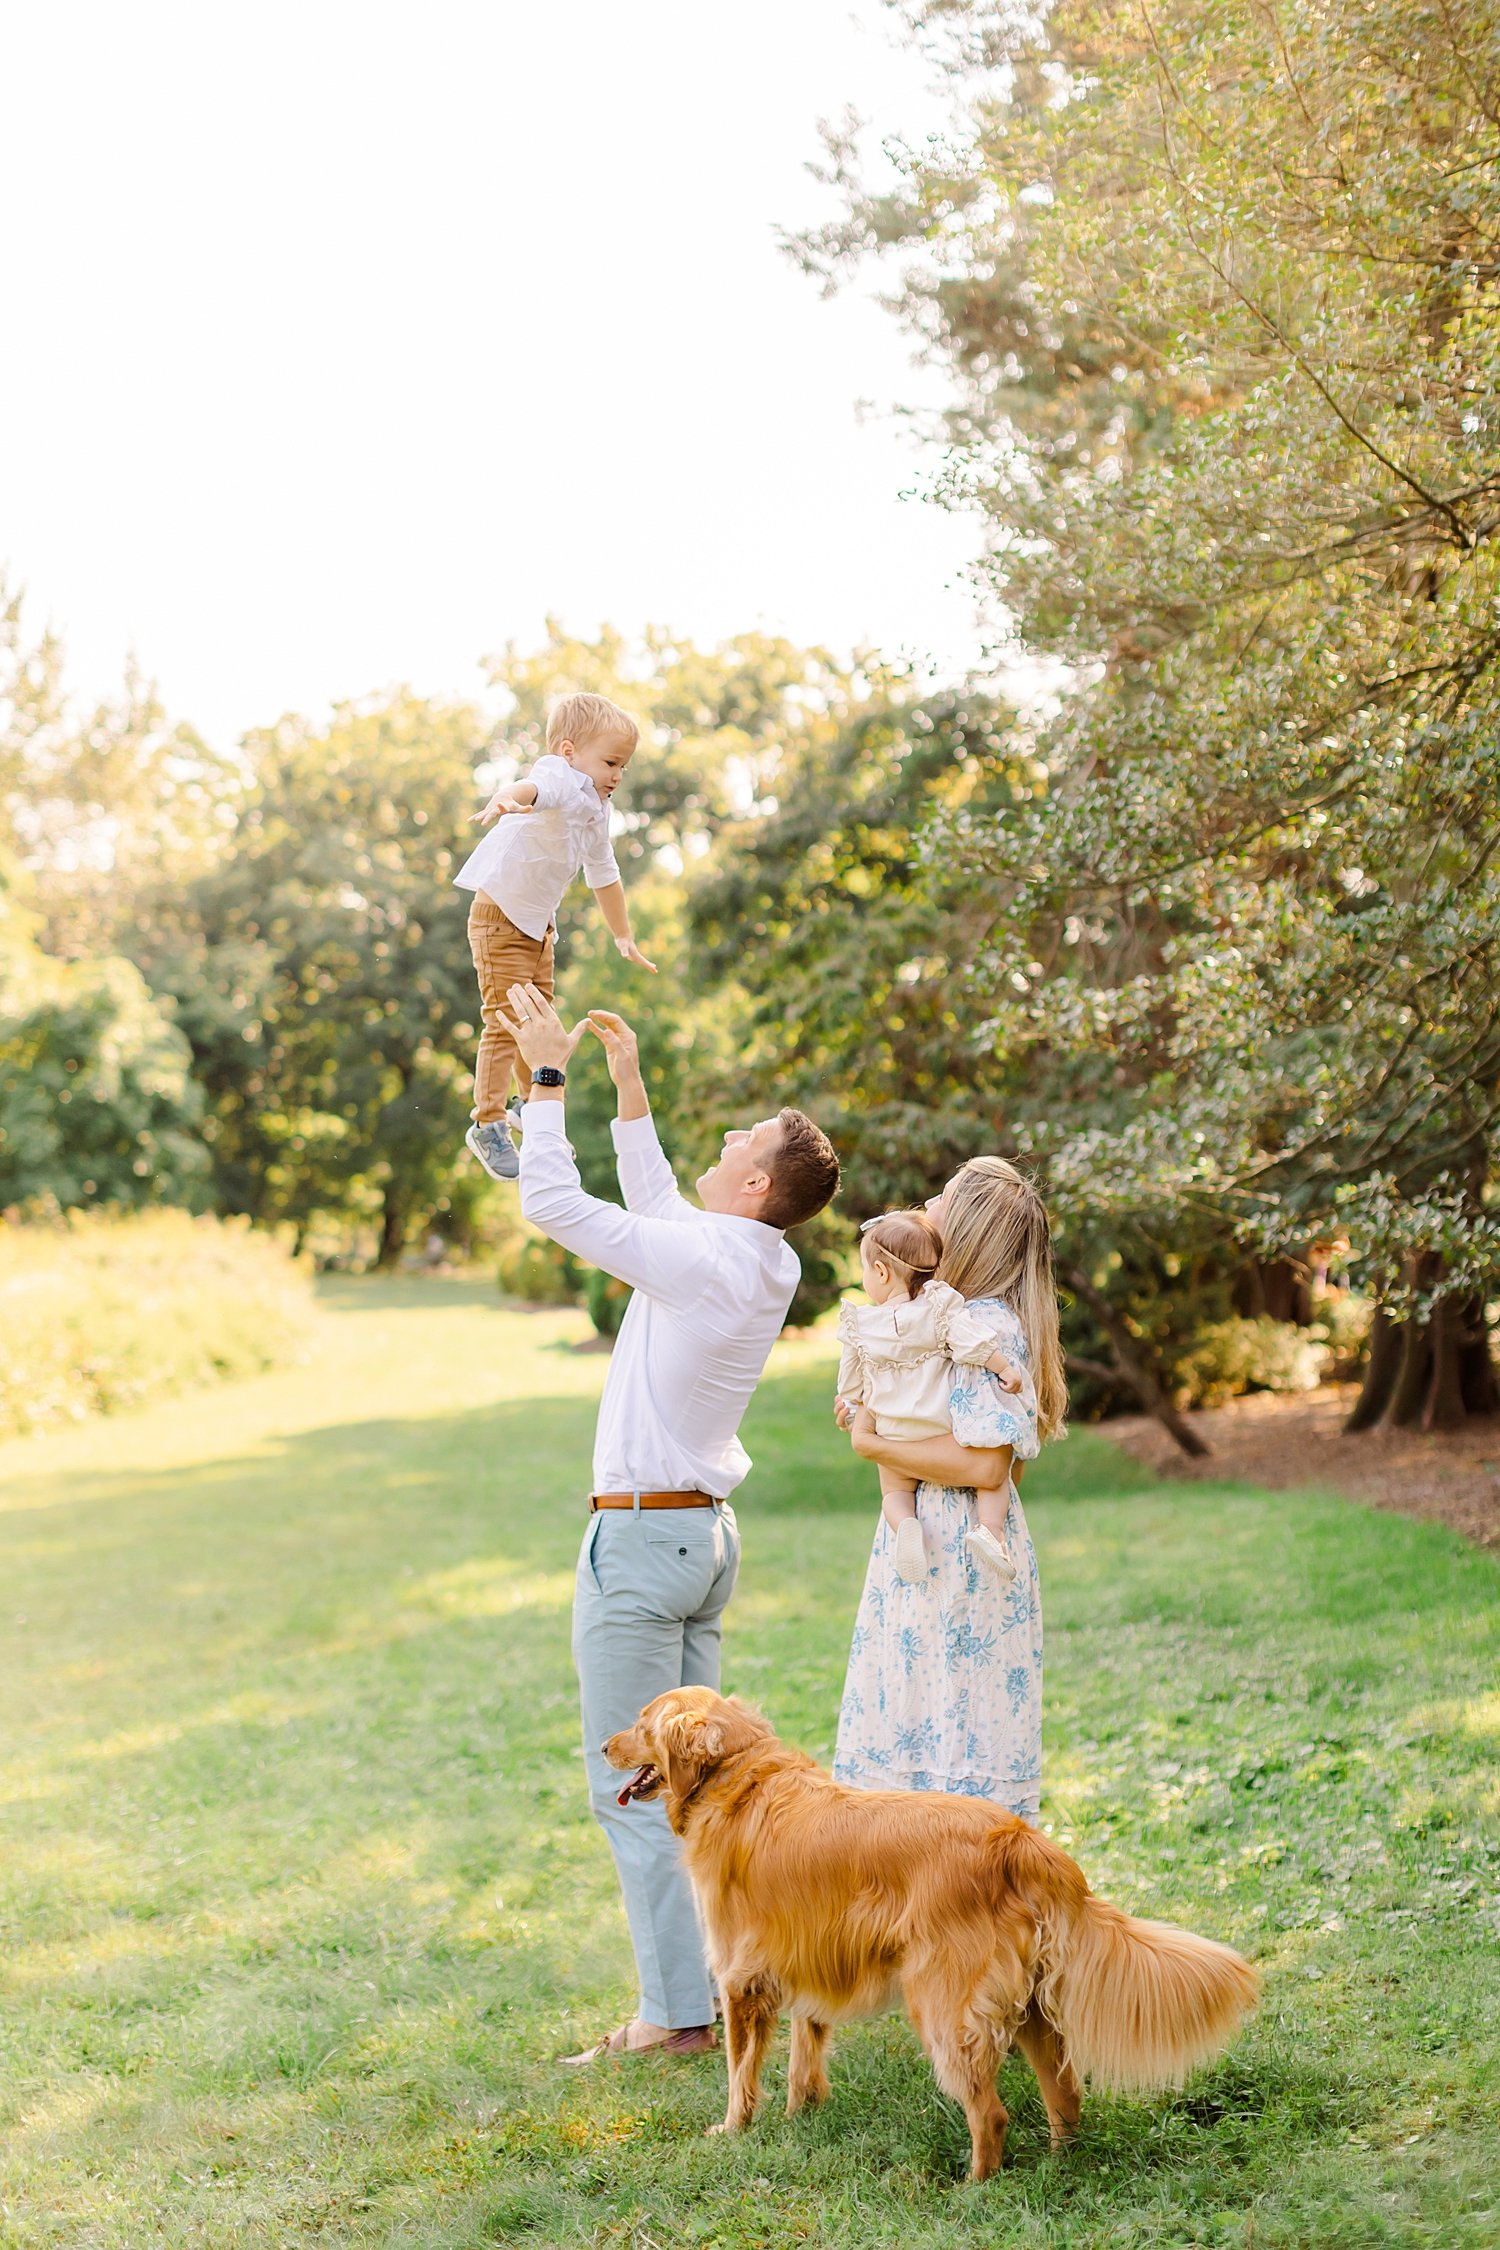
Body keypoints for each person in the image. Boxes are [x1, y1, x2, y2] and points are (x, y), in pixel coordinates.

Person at [495, 979, 840, 2062]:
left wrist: (547, 1080)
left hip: (646, 1545)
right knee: (709, 1790)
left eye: (747, 1137)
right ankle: (725, 1986)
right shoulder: (762, 1257)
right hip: (701, 1542)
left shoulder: (709, 1257)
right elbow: (660, 1211)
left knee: (637, 1787)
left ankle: (673, 2019)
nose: (731, 1133)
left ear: (752, 1182)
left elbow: (556, 1208)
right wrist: (626, 1083)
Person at [832, 1157, 1066, 1823]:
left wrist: (875, 1445)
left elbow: (989, 1466)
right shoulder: (939, 1319)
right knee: (918, 1752)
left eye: (943, 1196)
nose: (926, 1199)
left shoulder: (983, 1324)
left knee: (953, 1773)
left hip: (961, 1558)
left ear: (964, 1230)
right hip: (929, 1549)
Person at [453, 691, 656, 1184]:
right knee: (504, 1020)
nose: (616, 775)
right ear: (570, 752)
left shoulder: (597, 808)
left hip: (537, 924)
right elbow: (534, 788)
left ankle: (530, 1105)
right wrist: (508, 798)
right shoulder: (560, 776)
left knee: (540, 1018)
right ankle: (488, 1122)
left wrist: (622, 935)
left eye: (623, 767)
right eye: (610, 761)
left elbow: (603, 871)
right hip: (499, 913)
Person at [835, 1208, 1032, 1587]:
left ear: (880, 1272)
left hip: (892, 1431)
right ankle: (991, 1531)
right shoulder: (940, 1308)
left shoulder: (861, 1325)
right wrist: (1005, 1368)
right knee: (992, 1483)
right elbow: (972, 1342)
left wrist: (850, 1405)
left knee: (893, 1490)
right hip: (940, 1426)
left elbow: (850, 1380)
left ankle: (905, 1525)